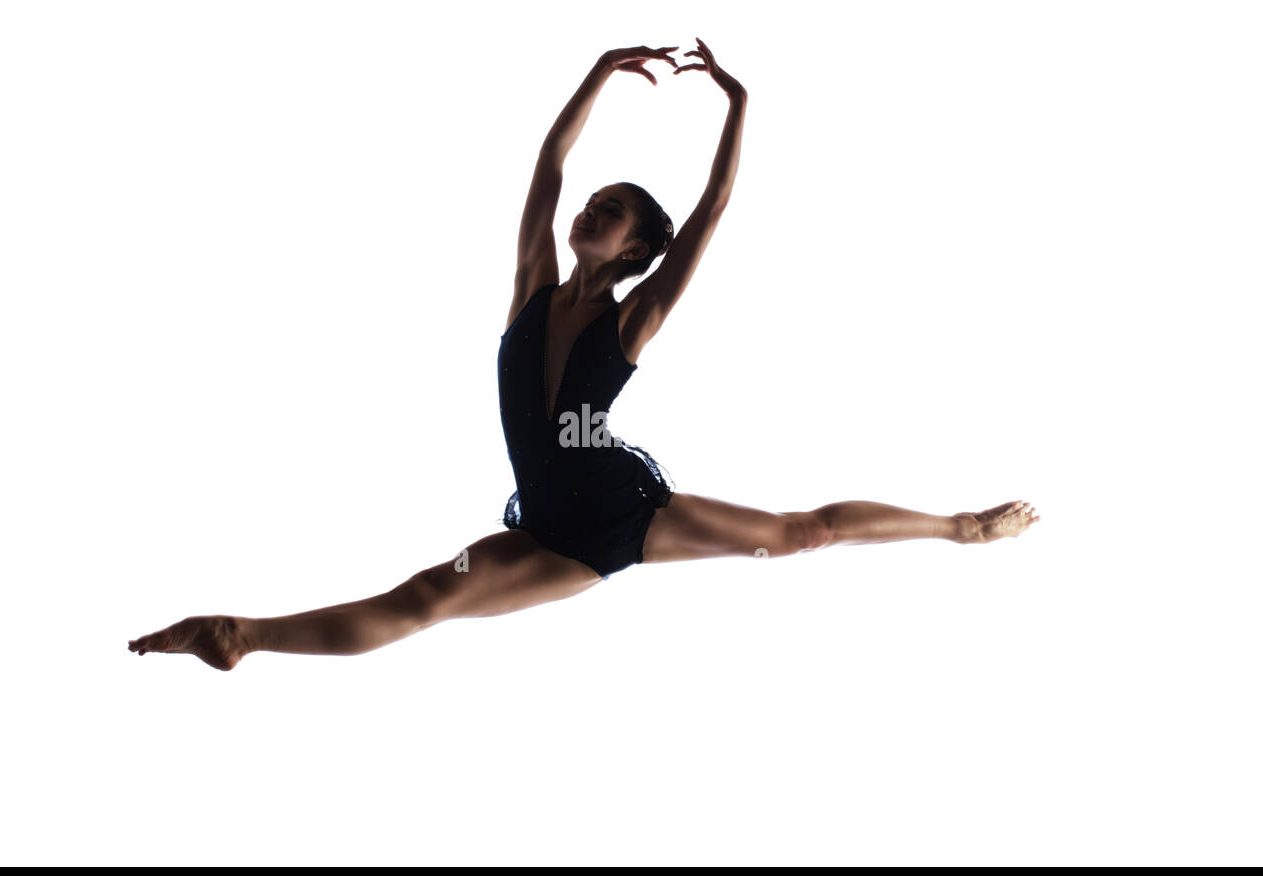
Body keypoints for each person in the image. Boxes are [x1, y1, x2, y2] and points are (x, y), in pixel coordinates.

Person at [129, 39, 1040, 671]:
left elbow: (712, 211)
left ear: (637, 249)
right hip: (549, 537)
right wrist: (600, 71)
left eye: (615, 211)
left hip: (628, 512)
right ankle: (240, 633)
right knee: (423, 600)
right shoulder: (531, 290)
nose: (591, 210)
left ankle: (960, 527)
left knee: (802, 533)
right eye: (595, 201)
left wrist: (739, 105)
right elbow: (548, 164)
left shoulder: (633, 318)